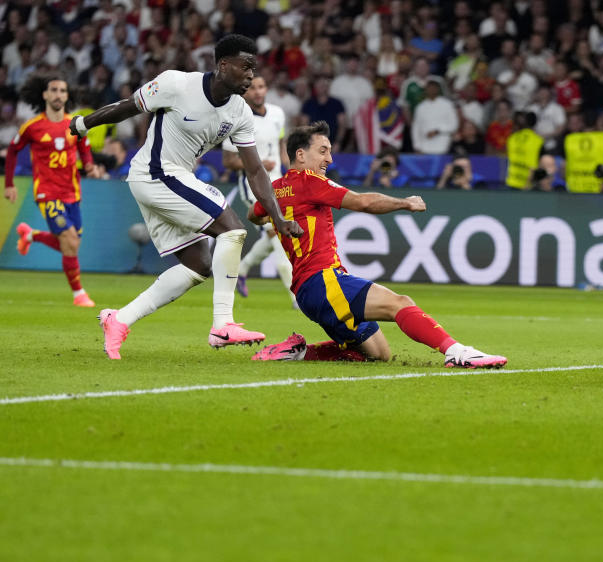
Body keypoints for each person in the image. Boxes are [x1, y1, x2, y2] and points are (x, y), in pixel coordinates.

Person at [69, 34, 302, 360]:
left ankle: (119, 319)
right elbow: (127, 107)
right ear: (223, 65)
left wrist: (278, 218)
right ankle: (223, 324)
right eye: (245, 66)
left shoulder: (240, 112)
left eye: (254, 68)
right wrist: (83, 123)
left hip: (171, 179)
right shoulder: (177, 84)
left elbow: (256, 171)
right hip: (154, 173)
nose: (251, 75)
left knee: (199, 266)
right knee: (232, 229)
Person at [249, 121, 506, 369]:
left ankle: (299, 352)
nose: (329, 159)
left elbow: (254, 213)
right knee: (400, 303)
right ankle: (456, 352)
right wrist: (404, 203)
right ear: (301, 155)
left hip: (308, 293)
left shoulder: (276, 189)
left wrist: (279, 218)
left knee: (379, 353)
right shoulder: (310, 180)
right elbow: (363, 203)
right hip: (324, 281)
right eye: (323, 151)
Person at [5, 74, 101, 308]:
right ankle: (79, 294)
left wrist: (89, 164)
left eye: (62, 91)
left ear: (67, 96)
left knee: (71, 243)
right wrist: (9, 183)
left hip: (72, 193)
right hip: (47, 193)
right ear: (45, 95)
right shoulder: (33, 127)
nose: (58, 94)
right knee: (69, 240)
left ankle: (31, 235)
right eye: (54, 90)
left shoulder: (75, 124)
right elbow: (12, 151)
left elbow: (84, 147)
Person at [220, 73, 296, 308]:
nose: (258, 91)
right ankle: (296, 296)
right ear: (245, 92)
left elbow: (281, 144)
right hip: (252, 185)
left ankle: (242, 270)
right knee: (278, 232)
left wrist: (289, 171)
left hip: (278, 182)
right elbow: (229, 161)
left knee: (275, 232)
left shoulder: (277, 114)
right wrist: (258, 164)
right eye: (252, 88)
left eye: (261, 87)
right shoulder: (237, 118)